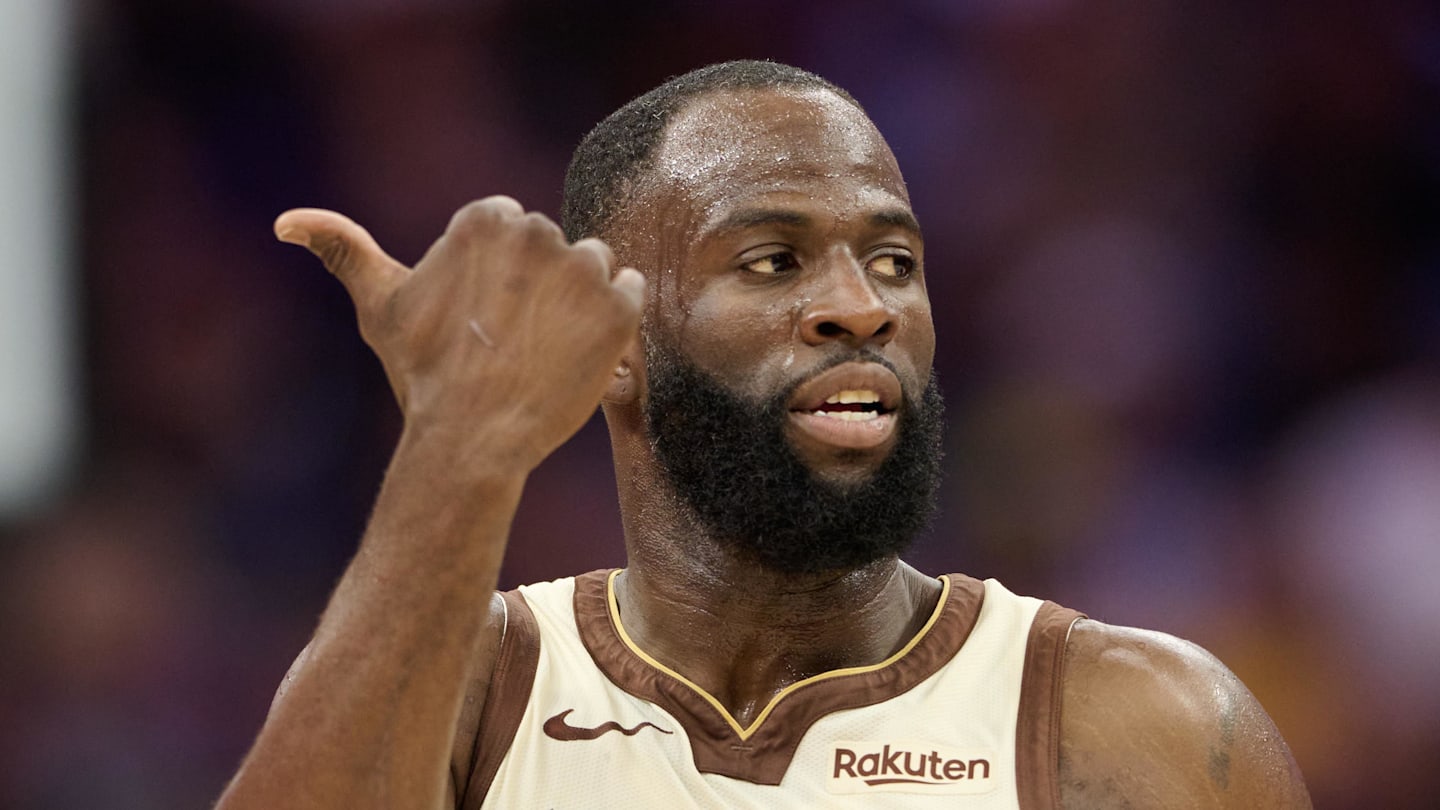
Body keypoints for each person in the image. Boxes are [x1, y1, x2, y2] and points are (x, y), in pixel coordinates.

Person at [216, 61, 1310, 809]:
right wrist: (456, 449)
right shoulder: (475, 692)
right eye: (773, 260)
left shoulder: (1138, 725)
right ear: (614, 345)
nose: (863, 307)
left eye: (893, 262)